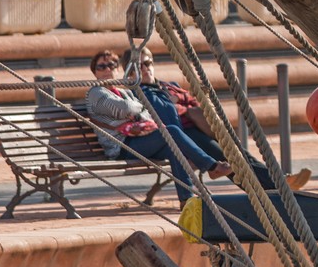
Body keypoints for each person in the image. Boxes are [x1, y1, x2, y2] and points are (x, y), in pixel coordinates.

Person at [119, 48, 312, 192]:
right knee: (225, 156)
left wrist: (183, 106)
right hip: (181, 136)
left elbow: (194, 103)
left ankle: (274, 183)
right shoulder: (135, 93)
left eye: (149, 63)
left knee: (236, 150)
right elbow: (166, 116)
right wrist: (182, 107)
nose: (146, 68)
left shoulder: (169, 86)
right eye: (140, 65)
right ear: (130, 70)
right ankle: (274, 187)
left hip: (197, 130)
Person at [85, 49, 232, 205]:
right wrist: (136, 110)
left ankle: (186, 199)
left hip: (138, 141)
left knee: (174, 148)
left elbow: (145, 114)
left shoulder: (123, 92)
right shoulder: (96, 92)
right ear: (95, 72)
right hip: (121, 147)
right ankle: (211, 166)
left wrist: (136, 110)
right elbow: (128, 108)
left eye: (112, 65)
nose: (108, 69)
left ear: (118, 69)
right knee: (172, 131)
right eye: (101, 67)